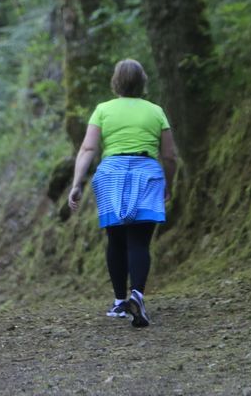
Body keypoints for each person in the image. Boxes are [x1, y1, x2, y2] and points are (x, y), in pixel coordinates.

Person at [67, 59, 178, 328]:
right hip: (147, 173)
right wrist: (169, 183)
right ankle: (136, 295)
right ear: (143, 82)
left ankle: (119, 302)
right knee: (139, 241)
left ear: (115, 82)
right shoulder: (156, 111)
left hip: (111, 174)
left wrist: (77, 183)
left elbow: (88, 149)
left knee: (115, 239)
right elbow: (169, 155)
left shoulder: (103, 110)